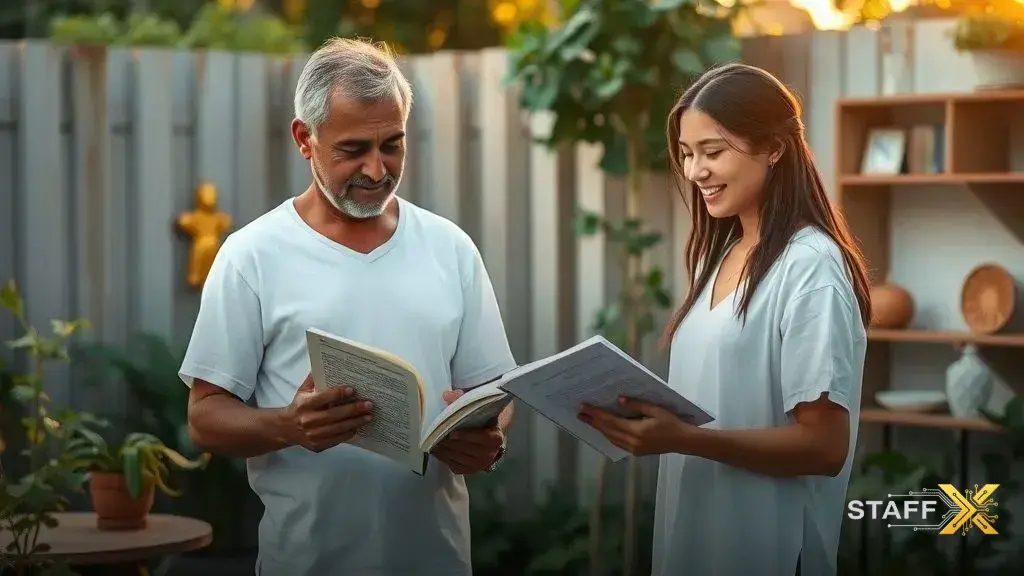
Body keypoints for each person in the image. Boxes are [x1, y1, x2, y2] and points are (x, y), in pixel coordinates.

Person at [179, 37, 518, 576]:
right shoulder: (252, 255)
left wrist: (488, 435)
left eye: (393, 145)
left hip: (437, 558)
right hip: (306, 561)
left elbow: (495, 389)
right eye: (353, 149)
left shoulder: (449, 247)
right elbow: (205, 418)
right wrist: (289, 426)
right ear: (304, 139)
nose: (377, 169)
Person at [577, 63, 871, 576]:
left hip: (771, 550)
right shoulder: (724, 255)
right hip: (693, 543)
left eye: (713, 152)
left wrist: (685, 439)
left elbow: (824, 446)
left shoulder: (810, 266)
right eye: (688, 155)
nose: (694, 172)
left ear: (774, 147)